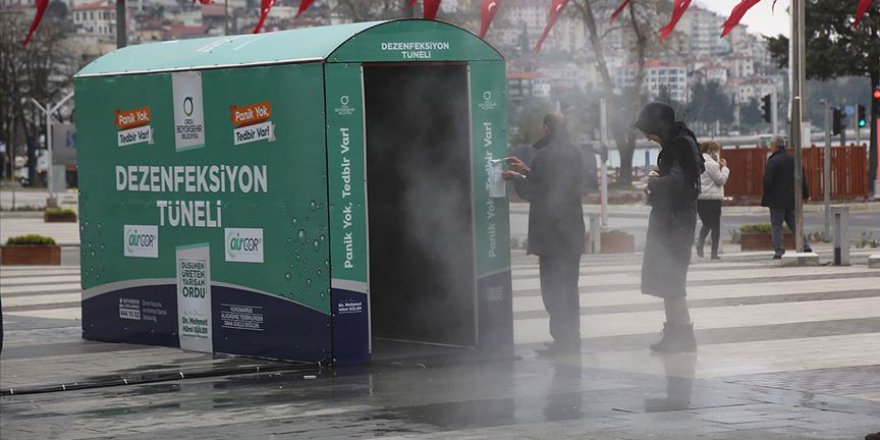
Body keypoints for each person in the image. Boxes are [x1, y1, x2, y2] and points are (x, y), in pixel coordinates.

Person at [502, 112, 585, 356]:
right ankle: (572, 338)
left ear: (547, 128)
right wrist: (527, 170)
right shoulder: (574, 152)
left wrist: (515, 177)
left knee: (553, 288)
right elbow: (552, 182)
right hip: (572, 232)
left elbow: (535, 191)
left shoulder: (546, 155)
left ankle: (562, 339)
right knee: (570, 287)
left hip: (551, 234)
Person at [635, 102, 704, 353]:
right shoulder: (680, 144)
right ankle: (674, 333)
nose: (648, 137)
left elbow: (679, 181)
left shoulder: (681, 146)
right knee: (667, 278)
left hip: (677, 222)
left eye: (649, 132)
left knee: (673, 280)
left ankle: (684, 335)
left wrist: (655, 182)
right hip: (672, 220)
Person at [760, 136, 811, 259]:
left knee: (776, 225)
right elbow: (802, 178)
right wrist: (805, 194)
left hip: (776, 200)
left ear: (775, 145)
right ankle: (805, 245)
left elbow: (767, 181)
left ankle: (779, 250)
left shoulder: (773, 161)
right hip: (791, 198)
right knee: (794, 223)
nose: (770, 147)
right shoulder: (793, 159)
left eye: (771, 145)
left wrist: (767, 194)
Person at [696, 141, 729, 260]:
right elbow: (720, 180)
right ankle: (713, 253)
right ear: (711, 151)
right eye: (716, 150)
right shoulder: (711, 164)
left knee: (706, 223)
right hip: (713, 199)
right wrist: (725, 168)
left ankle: (700, 243)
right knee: (715, 226)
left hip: (700, 199)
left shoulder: (697, 162)